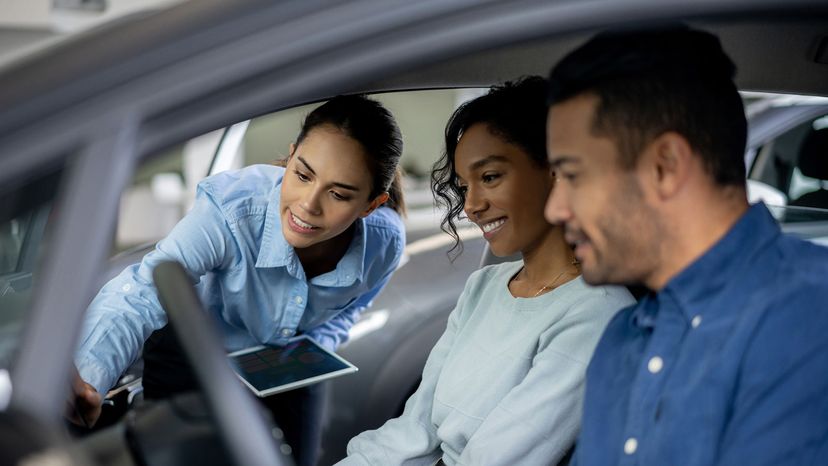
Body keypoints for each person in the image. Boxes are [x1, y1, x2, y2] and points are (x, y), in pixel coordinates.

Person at [70, 94, 407, 466]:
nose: (308, 205)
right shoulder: (230, 210)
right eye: (302, 175)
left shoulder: (385, 242)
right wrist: (87, 379)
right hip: (193, 353)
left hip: (285, 364)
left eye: (339, 194)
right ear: (291, 156)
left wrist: (313, 348)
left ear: (371, 205)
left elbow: (354, 306)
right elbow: (140, 292)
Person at [544, 26, 828, 466]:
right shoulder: (621, 339)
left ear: (665, 167)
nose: (555, 210)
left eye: (573, 175)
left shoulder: (810, 317)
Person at [338, 77, 634, 466]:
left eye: (490, 177)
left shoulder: (598, 314)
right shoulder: (484, 286)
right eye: (464, 186)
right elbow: (416, 428)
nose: (472, 205)